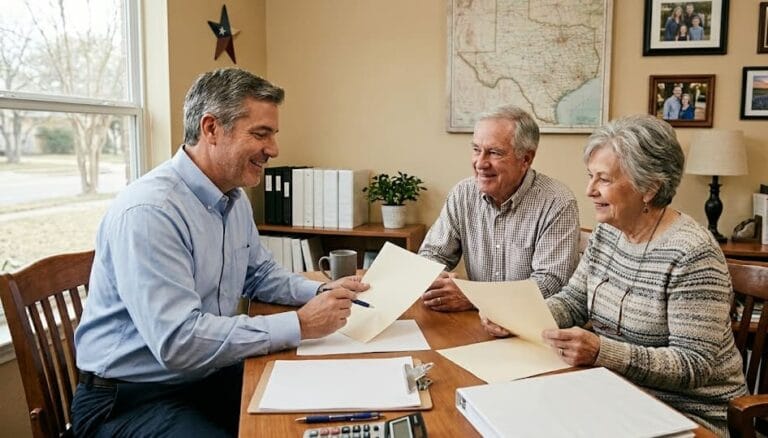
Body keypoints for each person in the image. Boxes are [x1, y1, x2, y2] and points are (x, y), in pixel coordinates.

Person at [71, 68, 369, 437]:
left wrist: (321, 292)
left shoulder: (233, 196)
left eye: (273, 135)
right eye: (261, 134)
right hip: (128, 400)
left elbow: (258, 274)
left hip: (202, 377)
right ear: (211, 128)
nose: (273, 149)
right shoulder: (151, 212)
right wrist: (302, 324)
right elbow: (180, 342)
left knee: (325, 403)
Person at [482, 115, 747, 435]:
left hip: (689, 415)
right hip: (616, 394)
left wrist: (601, 352)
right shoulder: (607, 233)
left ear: (649, 188)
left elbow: (693, 365)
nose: (589, 190)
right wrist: (518, 317)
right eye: (590, 176)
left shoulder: (692, 254)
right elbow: (574, 301)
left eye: (603, 179)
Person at [418, 105, 580, 312]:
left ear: (526, 159)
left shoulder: (557, 202)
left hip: (530, 324)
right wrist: (436, 276)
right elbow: (432, 253)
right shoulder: (463, 193)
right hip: (476, 323)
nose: (480, 163)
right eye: (476, 150)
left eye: (494, 153)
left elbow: (550, 284)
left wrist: (475, 297)